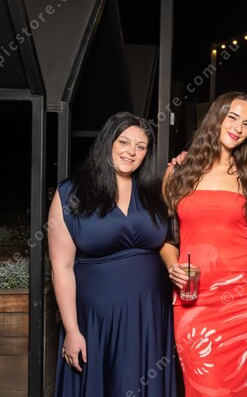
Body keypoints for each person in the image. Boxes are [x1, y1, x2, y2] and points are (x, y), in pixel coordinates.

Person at [49, 112, 176, 397]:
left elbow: (171, 240)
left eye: (141, 147)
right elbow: (62, 267)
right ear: (108, 142)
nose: (131, 152)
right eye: (124, 142)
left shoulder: (154, 192)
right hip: (97, 320)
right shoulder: (71, 193)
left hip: (150, 317)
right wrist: (72, 330)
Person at [162, 91, 247, 396]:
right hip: (193, 298)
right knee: (203, 384)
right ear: (216, 118)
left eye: (246, 124)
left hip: (243, 296)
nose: (238, 128)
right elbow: (165, 237)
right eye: (232, 117)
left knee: (243, 386)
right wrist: (172, 266)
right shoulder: (178, 172)